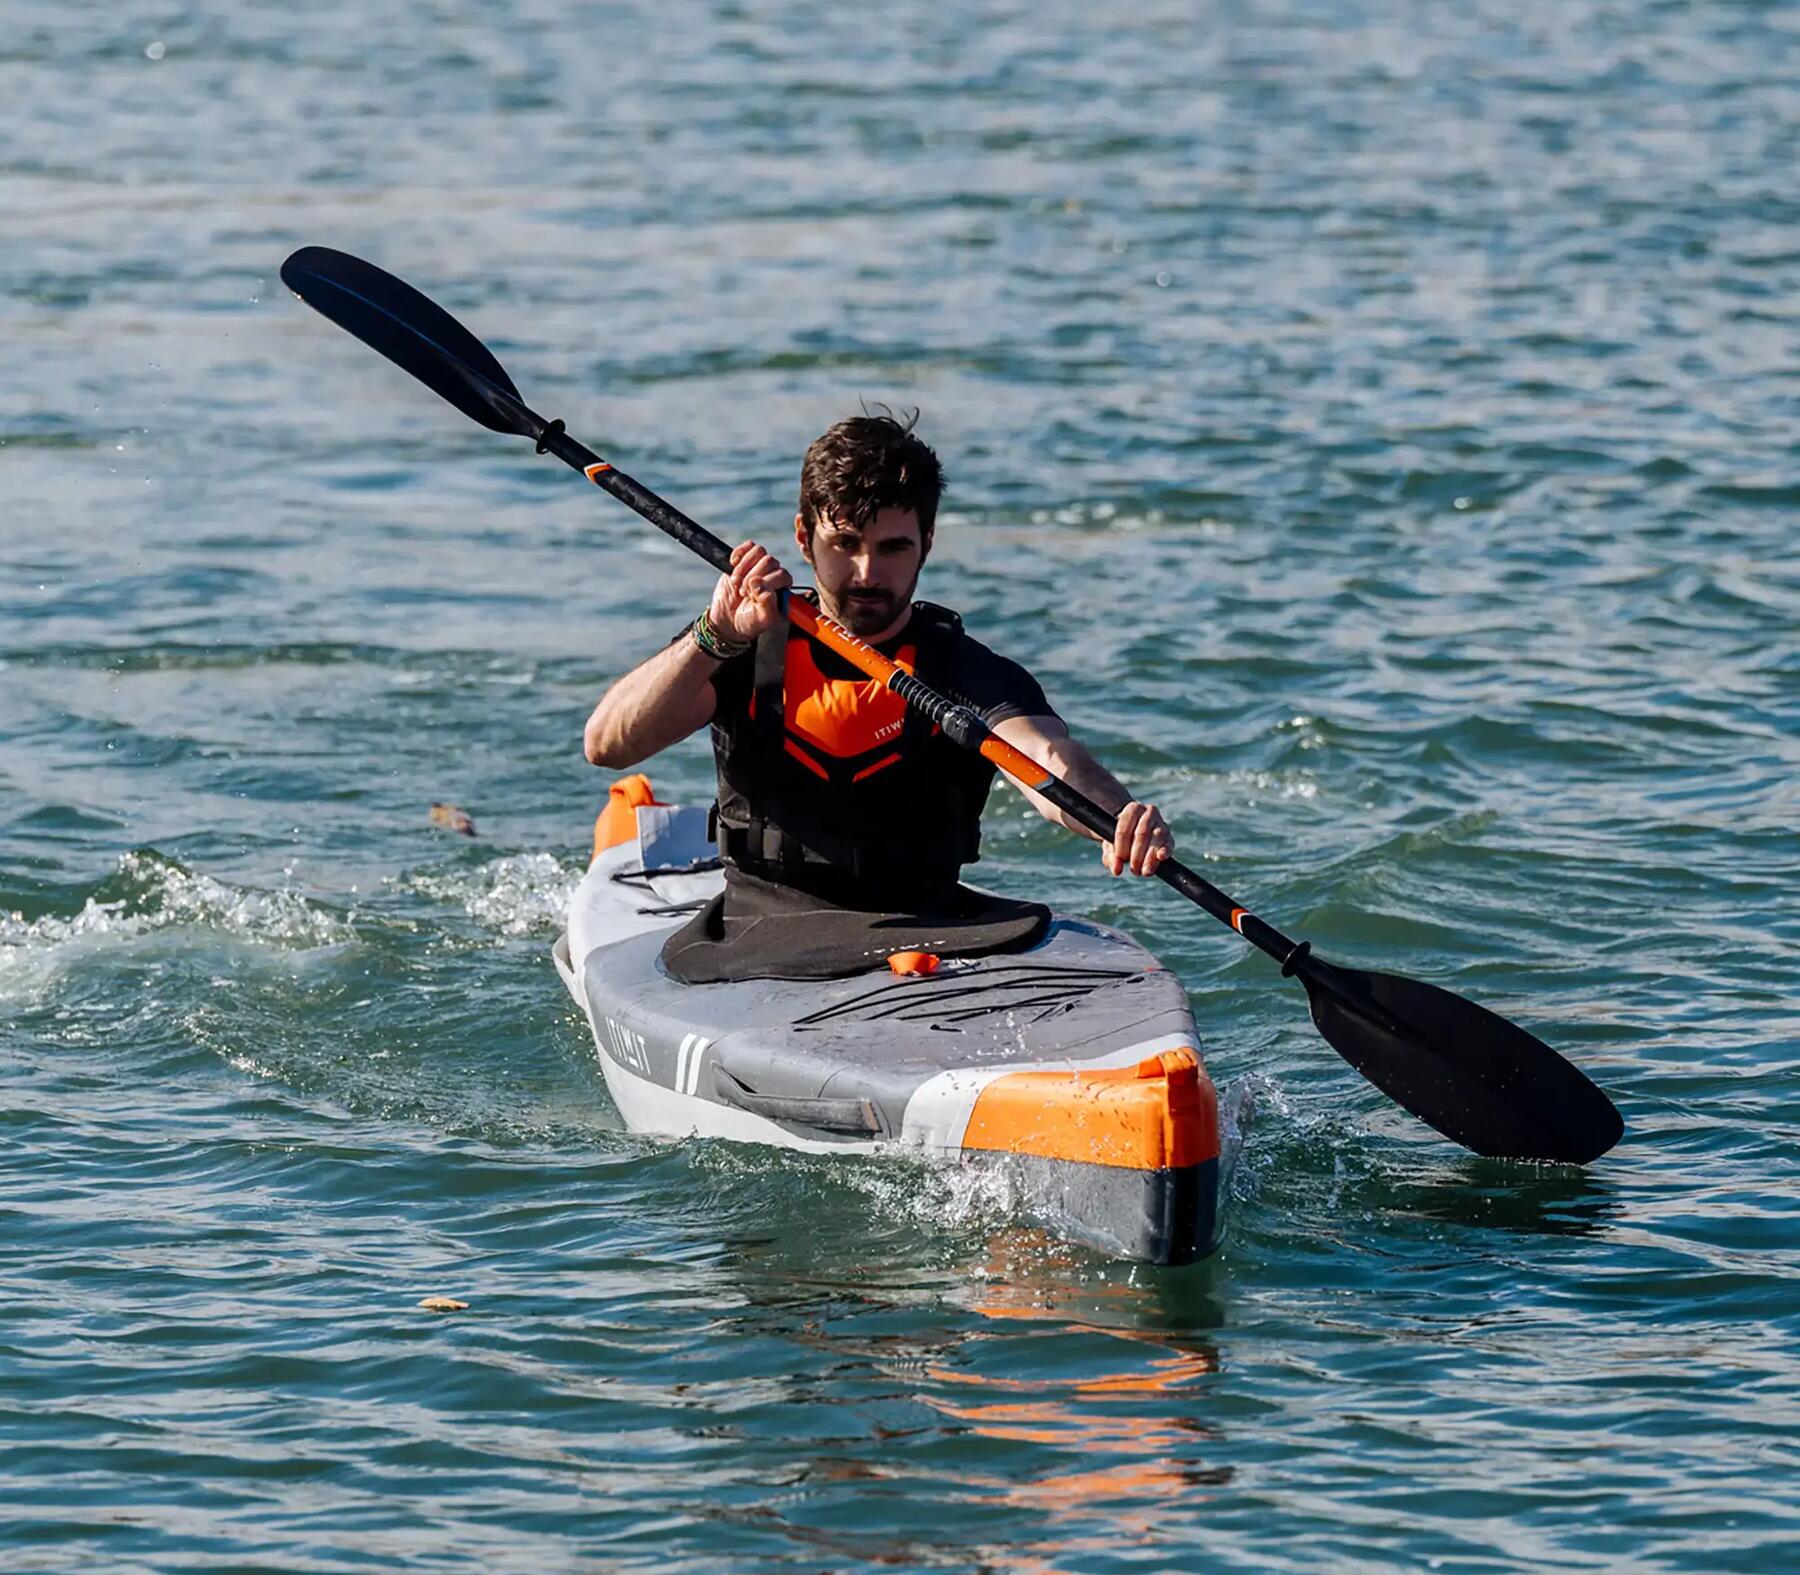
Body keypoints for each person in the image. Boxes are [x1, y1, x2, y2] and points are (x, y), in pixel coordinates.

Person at [583, 412, 1173, 920]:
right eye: (845, 544)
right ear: (803, 537)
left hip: (927, 924)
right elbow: (607, 744)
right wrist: (713, 638)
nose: (867, 573)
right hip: (761, 921)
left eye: (893, 547)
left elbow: (1048, 761)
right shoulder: (745, 639)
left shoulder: (958, 670)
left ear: (928, 543)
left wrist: (1116, 816)